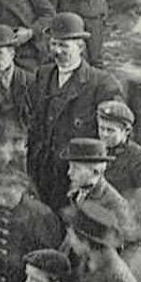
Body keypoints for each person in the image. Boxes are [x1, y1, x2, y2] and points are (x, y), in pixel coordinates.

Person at [28, 12, 122, 211]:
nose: (57, 51)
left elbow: (112, 137)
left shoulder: (101, 83)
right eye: (53, 44)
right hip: (42, 171)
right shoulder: (43, 75)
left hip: (75, 175)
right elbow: (33, 121)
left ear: (80, 47)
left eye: (64, 45)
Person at [97, 100, 141, 198]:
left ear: (126, 131)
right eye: (101, 128)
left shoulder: (138, 158)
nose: (104, 134)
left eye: (110, 130)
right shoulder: (95, 151)